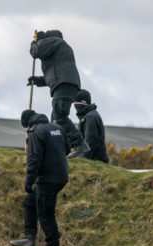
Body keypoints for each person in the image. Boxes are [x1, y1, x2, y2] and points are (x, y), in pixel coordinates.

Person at [10, 109, 69, 246]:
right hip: (61, 176)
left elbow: (34, 160)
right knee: (29, 202)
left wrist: (28, 182)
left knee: (45, 214)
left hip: (47, 179)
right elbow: (67, 149)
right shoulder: (56, 128)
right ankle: (29, 239)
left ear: (28, 123)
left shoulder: (35, 132)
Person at [28, 29, 90, 159]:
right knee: (55, 120)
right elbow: (55, 74)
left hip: (64, 84)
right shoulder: (60, 49)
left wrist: (36, 42)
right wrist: (37, 80)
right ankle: (60, 149)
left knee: (59, 116)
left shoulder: (55, 41)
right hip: (66, 83)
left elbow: (36, 51)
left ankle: (79, 144)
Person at [73, 89, 109, 163]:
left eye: (75, 102)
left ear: (81, 102)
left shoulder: (90, 117)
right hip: (94, 160)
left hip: (95, 161)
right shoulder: (88, 115)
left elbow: (90, 142)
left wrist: (83, 161)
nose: (74, 105)